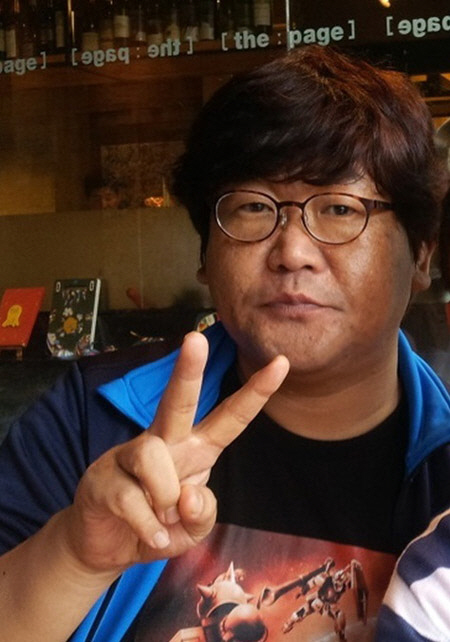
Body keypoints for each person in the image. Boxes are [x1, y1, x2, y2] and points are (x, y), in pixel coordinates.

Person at [0, 45, 449, 642]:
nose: (292, 252)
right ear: (204, 256)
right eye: (253, 208)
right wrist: (73, 556)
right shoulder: (93, 419)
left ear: (421, 256)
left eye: (341, 209)